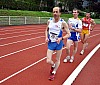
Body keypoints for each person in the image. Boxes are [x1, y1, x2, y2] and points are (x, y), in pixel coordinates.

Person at [45, 7, 70, 81]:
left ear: (60, 13)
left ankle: (54, 72)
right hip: (51, 43)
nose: (55, 13)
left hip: (59, 43)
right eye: (54, 12)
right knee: (48, 60)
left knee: (57, 59)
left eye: (56, 12)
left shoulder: (63, 23)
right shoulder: (49, 21)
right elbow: (46, 30)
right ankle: (53, 66)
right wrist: (46, 37)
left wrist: (61, 38)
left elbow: (69, 34)